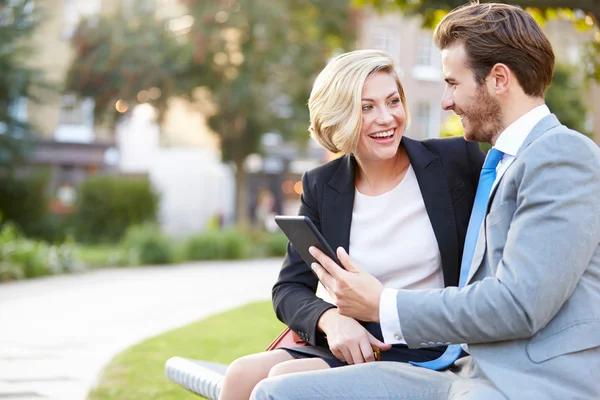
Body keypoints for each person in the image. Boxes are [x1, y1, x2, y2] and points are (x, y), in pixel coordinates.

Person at [251, 2, 600, 400]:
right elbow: (290, 287)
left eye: (453, 83)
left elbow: (519, 306)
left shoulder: (560, 155)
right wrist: (332, 317)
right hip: (469, 369)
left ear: (499, 79)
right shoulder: (504, 162)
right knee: (274, 392)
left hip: (526, 381)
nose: (445, 102)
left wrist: (382, 304)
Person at [218, 49, 485, 400]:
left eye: (393, 101)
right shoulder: (321, 185)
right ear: (340, 116)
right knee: (239, 375)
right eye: (367, 107)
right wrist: (331, 320)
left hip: (424, 343)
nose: (387, 118)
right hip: (349, 340)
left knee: (281, 379)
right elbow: (288, 289)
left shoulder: (454, 161)